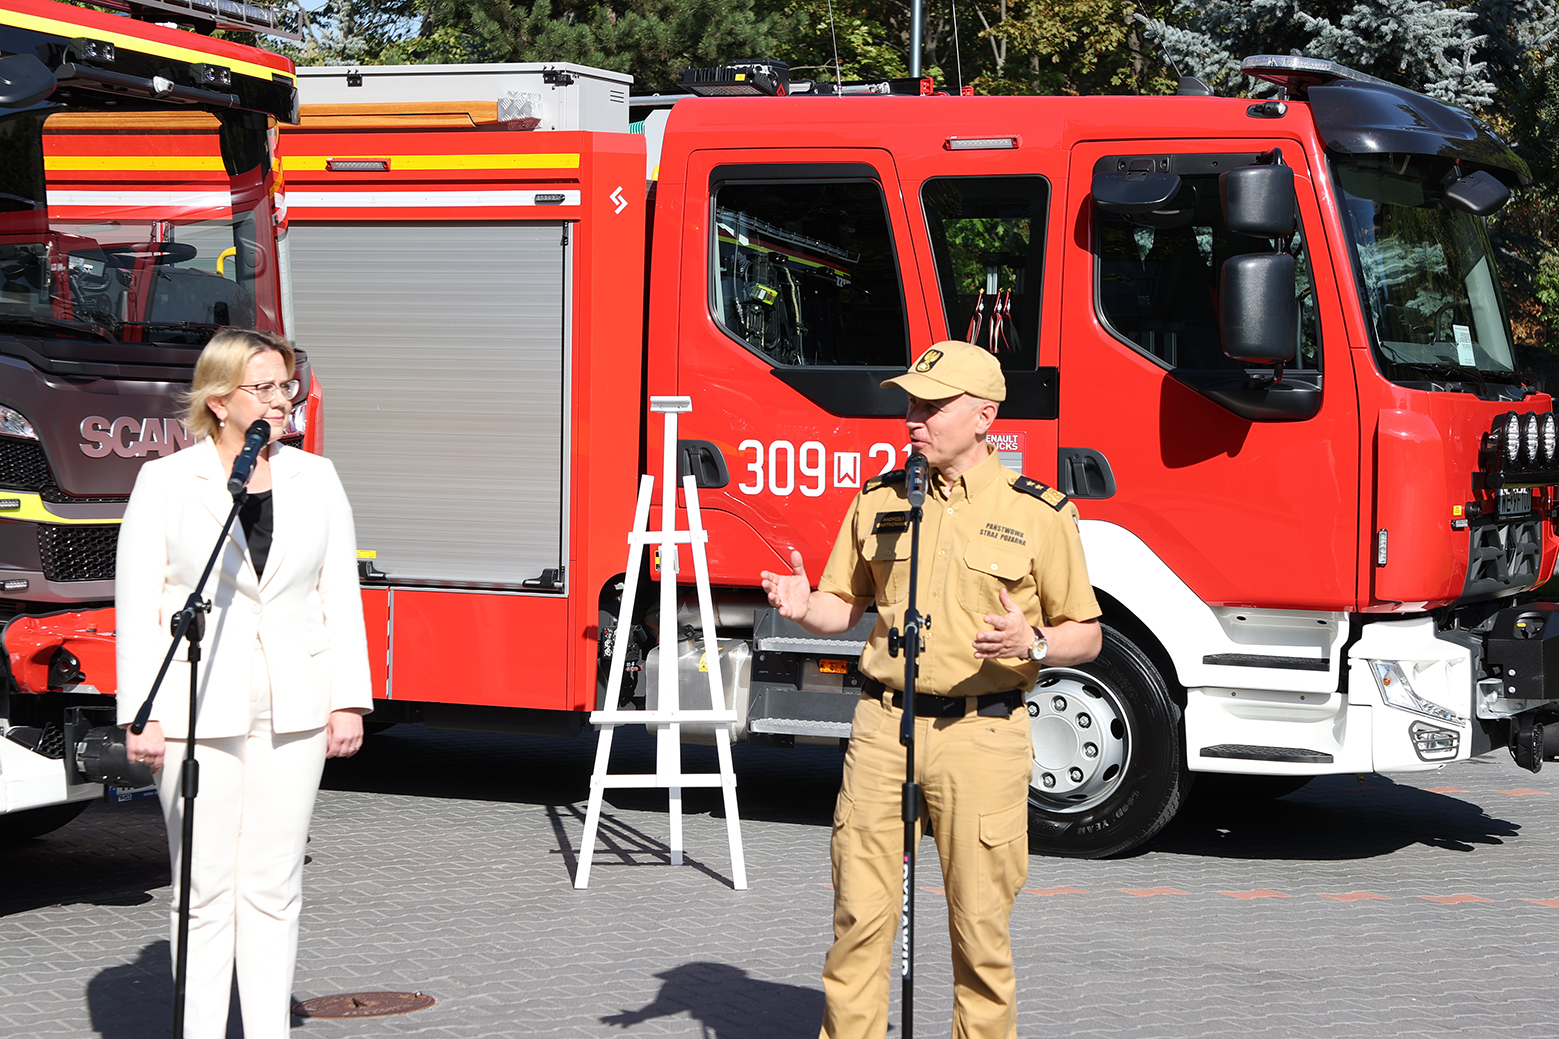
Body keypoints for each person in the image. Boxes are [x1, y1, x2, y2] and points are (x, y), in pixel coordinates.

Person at [761, 340, 1103, 1039]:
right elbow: (843, 605)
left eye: (932, 406)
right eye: (911, 404)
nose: (913, 419)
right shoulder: (879, 500)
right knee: (858, 921)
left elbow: (1086, 634)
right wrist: (804, 607)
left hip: (982, 737)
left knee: (980, 935)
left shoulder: (1040, 513)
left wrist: (1033, 642)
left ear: (983, 417)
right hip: (883, 731)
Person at [118, 328, 373, 1039]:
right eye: (263, 388)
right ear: (220, 400)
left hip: (296, 705)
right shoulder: (167, 482)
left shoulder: (316, 477)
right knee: (203, 890)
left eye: (286, 385)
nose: (282, 400)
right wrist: (141, 713)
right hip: (194, 705)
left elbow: (339, 592)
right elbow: (139, 605)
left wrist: (348, 699)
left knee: (273, 883)